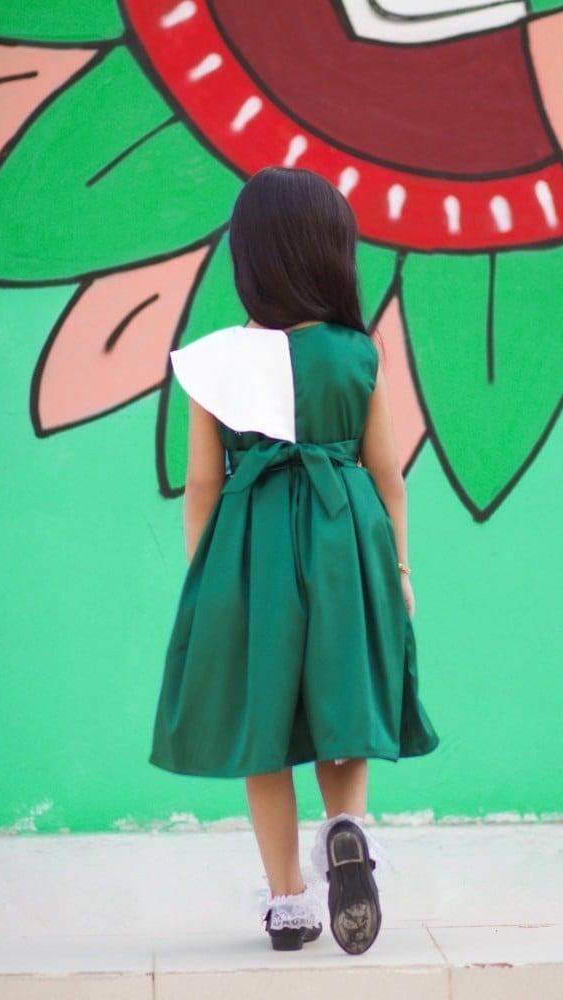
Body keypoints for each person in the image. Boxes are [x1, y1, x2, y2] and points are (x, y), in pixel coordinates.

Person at [149, 165, 440, 955]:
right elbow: (388, 475)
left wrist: (207, 582)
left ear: (249, 259)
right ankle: (347, 827)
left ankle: (287, 903)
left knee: (265, 726)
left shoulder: (212, 362)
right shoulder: (357, 353)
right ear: (330, 255)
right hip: (349, 544)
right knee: (343, 709)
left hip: (254, 558)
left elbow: (202, 487)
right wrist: (401, 571)